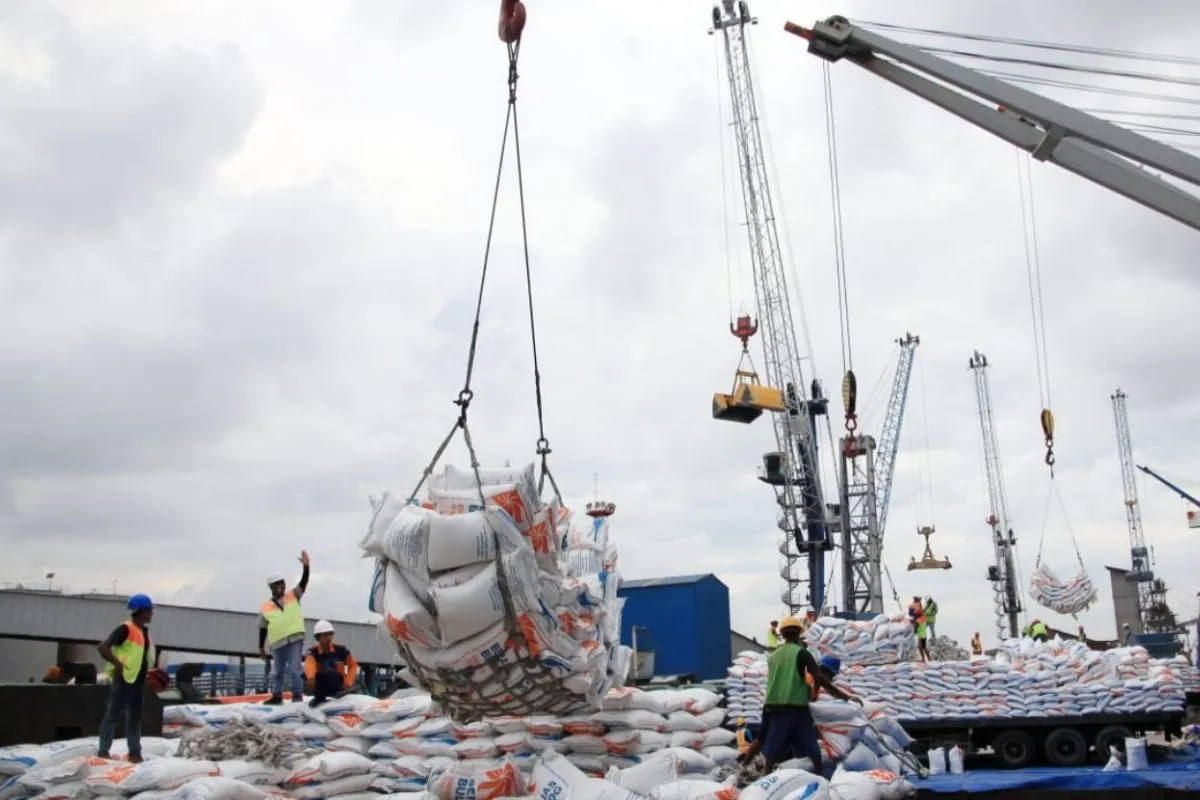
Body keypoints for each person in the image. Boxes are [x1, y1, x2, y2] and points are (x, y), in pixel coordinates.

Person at [759, 616, 859, 777]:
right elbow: (819, 678)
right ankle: (819, 774)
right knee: (810, 743)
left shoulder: (773, 655)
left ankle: (765, 778)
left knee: (773, 745)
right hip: (796, 706)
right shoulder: (802, 653)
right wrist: (845, 696)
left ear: (782, 635)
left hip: (773, 705)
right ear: (799, 634)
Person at [96, 594, 158, 763]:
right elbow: (103, 647)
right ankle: (103, 751)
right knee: (113, 714)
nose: (151, 613)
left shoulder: (143, 632)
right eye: (149, 610)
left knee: (135, 717)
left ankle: (135, 753)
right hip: (124, 678)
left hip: (137, 680)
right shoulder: (125, 629)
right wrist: (117, 664)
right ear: (140, 611)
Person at [259, 550, 311, 705]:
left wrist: (306, 567)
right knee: (277, 671)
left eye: (281, 583)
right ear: (271, 587)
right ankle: (276, 696)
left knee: (296, 668)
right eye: (276, 585)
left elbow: (303, 582)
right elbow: (262, 628)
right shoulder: (266, 607)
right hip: (277, 642)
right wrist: (261, 647)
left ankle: (296, 696)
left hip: (295, 637)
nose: (280, 586)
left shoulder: (293, 595)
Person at [304, 620, 358, 708]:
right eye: (324, 635)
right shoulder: (313, 652)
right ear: (318, 637)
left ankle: (339, 695)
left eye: (329, 634)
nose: (328, 637)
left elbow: (353, 665)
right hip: (320, 686)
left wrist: (347, 682)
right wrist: (310, 678)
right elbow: (309, 664)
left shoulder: (341, 651)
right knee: (307, 675)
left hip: (338, 684)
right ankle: (319, 698)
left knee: (329, 672)